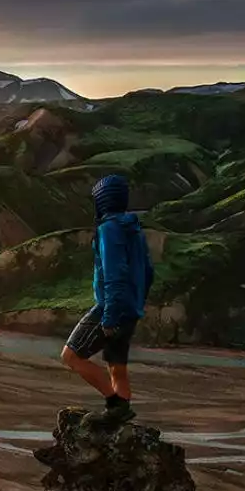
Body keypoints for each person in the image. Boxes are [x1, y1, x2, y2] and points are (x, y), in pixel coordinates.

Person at [59, 173, 153, 423]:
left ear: (101, 200)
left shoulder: (108, 229)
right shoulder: (136, 230)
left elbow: (114, 274)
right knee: (116, 364)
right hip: (130, 308)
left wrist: (110, 316)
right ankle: (119, 417)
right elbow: (148, 272)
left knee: (71, 356)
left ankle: (115, 403)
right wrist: (136, 303)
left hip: (111, 307)